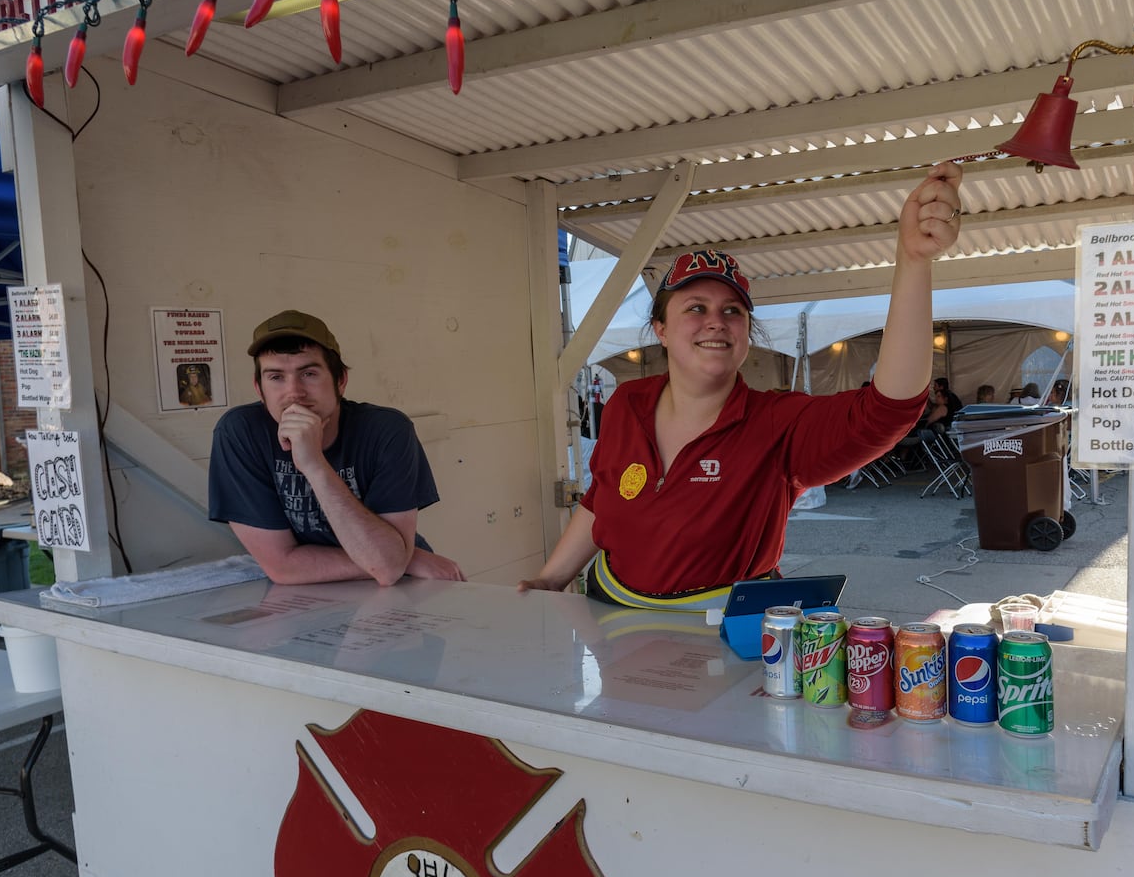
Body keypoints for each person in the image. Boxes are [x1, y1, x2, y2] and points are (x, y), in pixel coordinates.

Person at [519, 164, 963, 606]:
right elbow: (601, 500)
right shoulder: (626, 404)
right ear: (661, 329)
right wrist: (551, 579)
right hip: (615, 622)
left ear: (746, 335)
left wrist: (912, 260)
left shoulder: (776, 422)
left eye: (733, 311)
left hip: (724, 640)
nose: (716, 320)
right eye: (696, 307)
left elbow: (888, 410)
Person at [208, 309, 464, 586]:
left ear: (340, 380)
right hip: (387, 572)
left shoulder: (387, 430)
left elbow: (388, 569)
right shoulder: (241, 432)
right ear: (259, 389)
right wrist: (407, 560)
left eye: (309, 373)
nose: (294, 392)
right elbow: (282, 567)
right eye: (276, 377)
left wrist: (315, 466)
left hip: (399, 588)